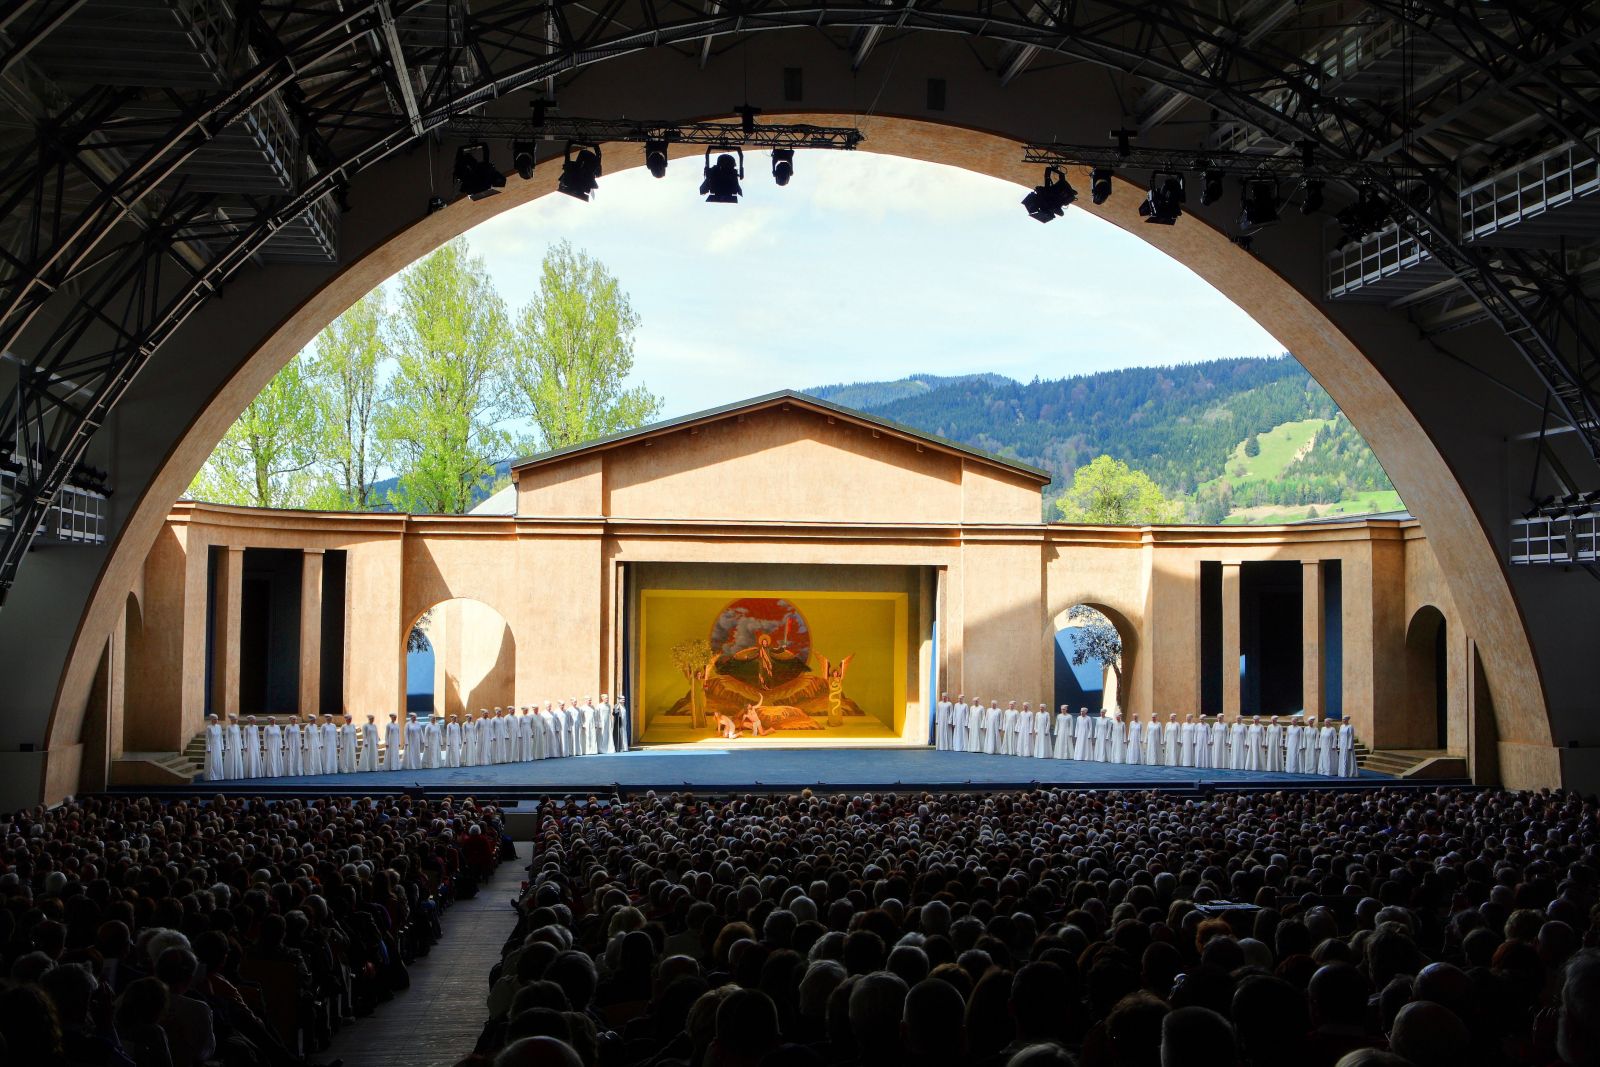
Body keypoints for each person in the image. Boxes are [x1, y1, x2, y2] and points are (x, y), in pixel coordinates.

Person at [204, 715, 224, 781]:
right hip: (212, 746)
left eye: (217, 719)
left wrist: (222, 747)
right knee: (212, 761)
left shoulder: (219, 727)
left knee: (218, 760)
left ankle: (219, 776)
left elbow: (221, 737)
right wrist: (208, 748)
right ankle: (212, 776)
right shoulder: (209, 727)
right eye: (215, 719)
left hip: (218, 746)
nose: (216, 720)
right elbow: (208, 739)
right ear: (212, 720)